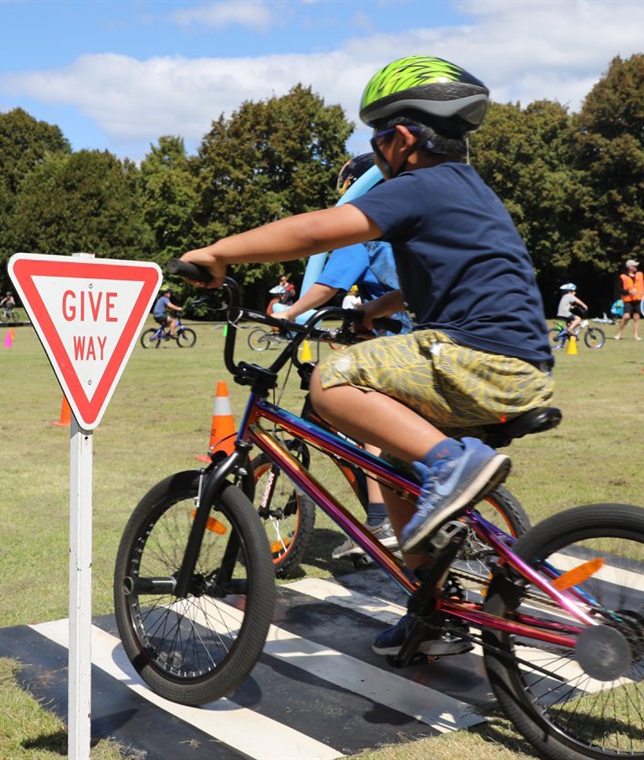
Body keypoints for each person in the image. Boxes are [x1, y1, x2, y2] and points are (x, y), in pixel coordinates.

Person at [180, 55, 555, 658]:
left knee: (330, 383)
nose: (375, 152)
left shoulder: (416, 186)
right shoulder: (468, 190)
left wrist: (219, 253)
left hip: (473, 356)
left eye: (378, 137)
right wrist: (372, 314)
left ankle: (449, 465)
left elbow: (317, 232)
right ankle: (435, 608)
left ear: (404, 138)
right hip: (517, 364)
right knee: (398, 475)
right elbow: (443, 274)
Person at [275, 153, 412, 561]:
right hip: (407, 333)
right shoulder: (404, 228)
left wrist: (290, 313)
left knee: (367, 426)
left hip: (391, 340)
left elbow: (329, 285)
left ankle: (378, 521)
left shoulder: (365, 232)